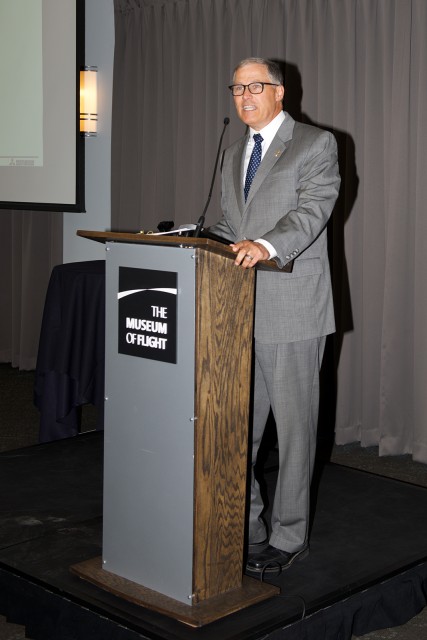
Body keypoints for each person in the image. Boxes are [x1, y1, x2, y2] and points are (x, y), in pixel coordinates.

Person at [208, 57, 340, 573]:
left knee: (295, 430)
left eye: (255, 86)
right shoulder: (233, 152)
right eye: (237, 87)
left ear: (280, 92)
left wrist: (265, 245)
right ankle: (247, 525)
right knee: (239, 429)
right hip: (238, 315)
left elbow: (312, 210)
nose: (244, 96)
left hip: (292, 311)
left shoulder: (315, 144)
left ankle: (289, 535)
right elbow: (228, 222)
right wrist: (190, 241)